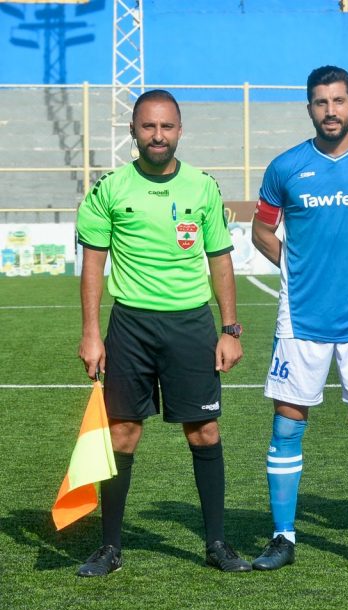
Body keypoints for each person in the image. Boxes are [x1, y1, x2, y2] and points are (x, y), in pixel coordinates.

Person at [75, 89, 249, 576]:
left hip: (191, 324)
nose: (158, 135)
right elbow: (93, 265)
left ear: (179, 130)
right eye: (148, 126)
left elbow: (220, 259)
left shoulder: (202, 187)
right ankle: (110, 547)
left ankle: (216, 543)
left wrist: (230, 329)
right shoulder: (110, 189)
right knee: (123, 432)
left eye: (166, 126)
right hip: (130, 325)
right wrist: (91, 333)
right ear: (133, 130)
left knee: (204, 430)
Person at [249, 66, 348, 570]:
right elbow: (261, 230)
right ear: (309, 108)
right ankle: (283, 537)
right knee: (287, 423)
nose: (330, 111)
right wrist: (294, 269)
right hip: (300, 317)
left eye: (339, 101)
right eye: (321, 102)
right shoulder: (286, 167)